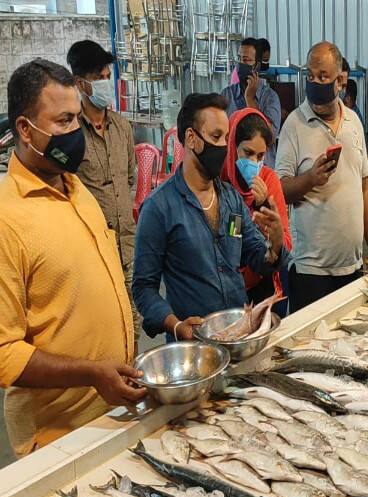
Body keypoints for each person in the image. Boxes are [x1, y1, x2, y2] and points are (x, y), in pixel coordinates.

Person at [0, 59, 145, 456]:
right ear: (26, 130)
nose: (75, 133)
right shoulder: (6, 219)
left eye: (77, 118)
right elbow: (4, 353)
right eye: (63, 121)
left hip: (111, 412)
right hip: (58, 437)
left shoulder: (75, 187)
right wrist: (91, 373)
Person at [132, 93, 289, 341]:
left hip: (239, 336)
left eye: (226, 138)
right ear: (192, 139)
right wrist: (175, 325)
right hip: (194, 347)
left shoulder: (231, 200)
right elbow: (143, 289)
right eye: (216, 137)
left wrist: (275, 244)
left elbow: (257, 256)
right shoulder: (159, 208)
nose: (223, 146)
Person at [276, 41, 368, 312]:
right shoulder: (294, 126)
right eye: (310, 76)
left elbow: (365, 187)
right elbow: (280, 190)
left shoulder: (354, 121)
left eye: (323, 77)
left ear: (341, 80)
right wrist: (310, 178)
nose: (315, 83)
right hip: (312, 271)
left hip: (352, 266)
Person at [66, 40, 140, 349]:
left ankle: (133, 387)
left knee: (133, 324)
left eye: (108, 76)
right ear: (80, 83)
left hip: (128, 244)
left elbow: (132, 178)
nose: (106, 84)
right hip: (93, 250)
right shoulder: (70, 134)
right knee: (101, 329)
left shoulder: (121, 127)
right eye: (99, 78)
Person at [222, 108, 292, 314]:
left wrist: (262, 207)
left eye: (260, 155)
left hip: (266, 287)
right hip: (231, 291)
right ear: (232, 147)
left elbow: (285, 243)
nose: (253, 163)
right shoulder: (222, 185)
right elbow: (230, 242)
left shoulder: (269, 180)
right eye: (247, 153)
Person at [222, 37, 281, 167]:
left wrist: (250, 99)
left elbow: (269, 137)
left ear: (256, 66)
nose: (240, 64)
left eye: (246, 60)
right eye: (239, 59)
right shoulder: (227, 95)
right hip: (232, 171)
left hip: (262, 170)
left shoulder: (270, 98)